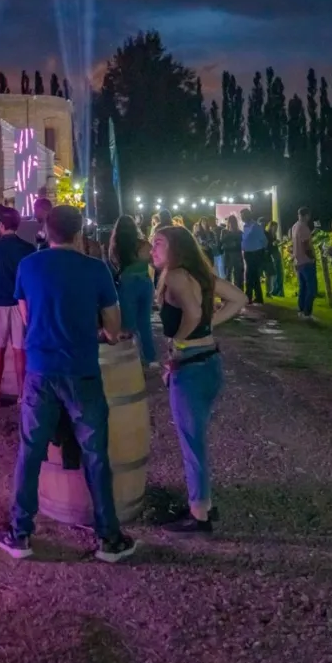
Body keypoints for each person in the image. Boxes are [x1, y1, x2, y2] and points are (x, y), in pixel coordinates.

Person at [0, 205, 138, 564]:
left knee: (30, 451)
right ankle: (109, 536)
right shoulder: (96, 269)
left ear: (45, 230)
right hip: (83, 372)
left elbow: (27, 316)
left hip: (41, 371)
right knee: (96, 455)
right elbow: (112, 329)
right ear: (79, 233)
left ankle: (20, 531)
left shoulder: (29, 265)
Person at [152, 225, 246, 534]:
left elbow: (192, 313)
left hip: (191, 367)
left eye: (159, 243)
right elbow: (238, 299)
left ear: (176, 248)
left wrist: (179, 342)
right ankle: (200, 502)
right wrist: (208, 323)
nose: (153, 249)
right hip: (210, 363)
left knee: (193, 445)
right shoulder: (199, 275)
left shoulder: (177, 276)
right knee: (196, 441)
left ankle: (199, 514)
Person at [0, 206, 35, 407]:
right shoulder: (28, 248)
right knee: (20, 351)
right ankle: (22, 394)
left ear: (0, 225)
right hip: (20, 304)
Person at [109, 216, 157, 368]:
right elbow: (154, 262)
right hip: (145, 282)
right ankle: (150, 358)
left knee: (129, 323)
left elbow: (114, 263)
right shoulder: (144, 245)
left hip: (127, 282)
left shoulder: (116, 246)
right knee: (145, 322)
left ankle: (131, 358)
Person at [291, 207, 317, 319]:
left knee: (303, 287)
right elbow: (306, 245)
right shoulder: (304, 227)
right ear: (306, 215)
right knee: (312, 288)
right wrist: (312, 257)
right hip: (306, 261)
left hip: (298, 260)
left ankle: (301, 310)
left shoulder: (295, 226)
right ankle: (307, 312)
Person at [240, 209, 267, 305]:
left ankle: (249, 297)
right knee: (254, 276)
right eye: (241, 216)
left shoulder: (255, 226)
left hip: (255, 253)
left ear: (248, 215)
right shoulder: (245, 227)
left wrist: (261, 251)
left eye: (243, 215)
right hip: (247, 253)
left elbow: (264, 240)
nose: (242, 217)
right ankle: (258, 297)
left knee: (249, 276)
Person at [219, 215, 244, 289]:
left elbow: (240, 243)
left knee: (238, 274)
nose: (231, 223)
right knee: (228, 273)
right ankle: (228, 291)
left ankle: (238, 290)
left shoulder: (239, 232)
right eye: (230, 222)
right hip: (227, 254)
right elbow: (221, 241)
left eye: (232, 222)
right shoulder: (224, 231)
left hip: (236, 254)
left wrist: (233, 243)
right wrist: (230, 236)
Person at [265, 221, 284, 297]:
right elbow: (268, 246)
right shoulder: (267, 235)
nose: (276, 229)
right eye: (275, 228)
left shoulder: (274, 235)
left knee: (278, 273)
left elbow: (274, 246)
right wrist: (273, 243)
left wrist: (279, 243)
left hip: (275, 255)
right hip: (271, 256)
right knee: (273, 274)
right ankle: (273, 291)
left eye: (277, 228)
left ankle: (276, 290)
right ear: (271, 227)